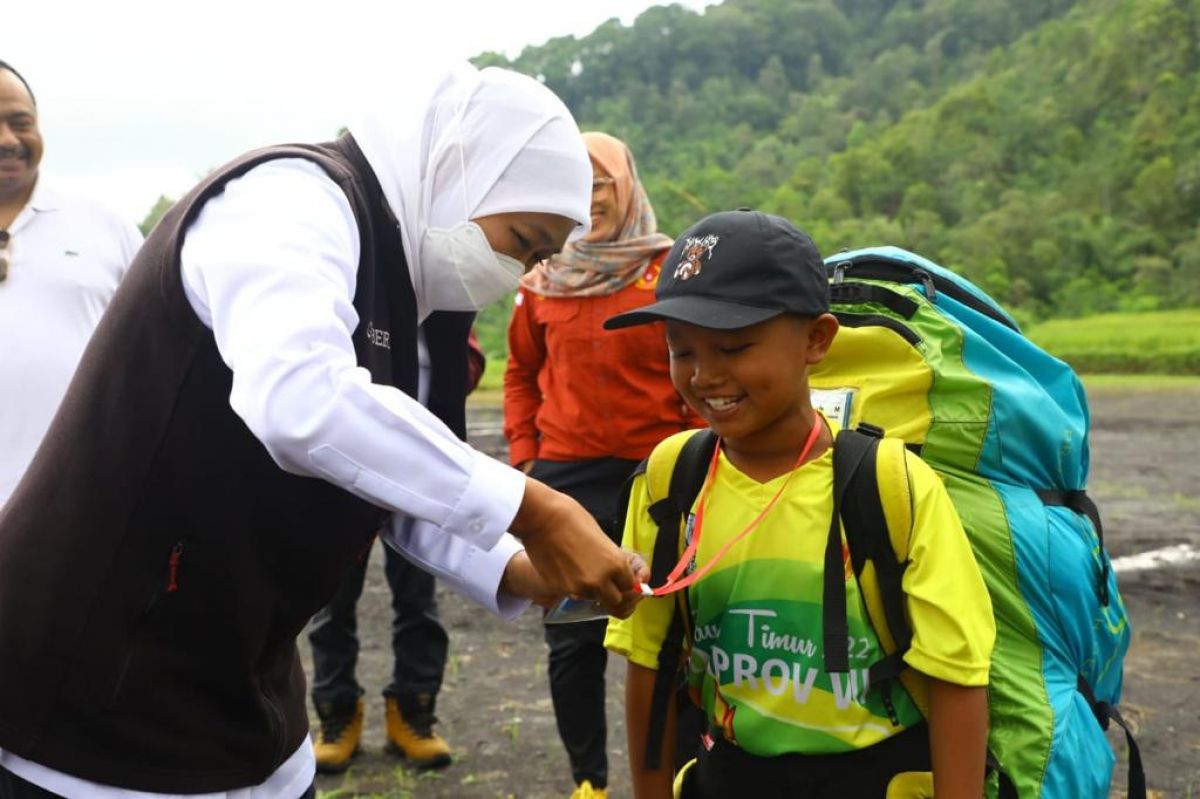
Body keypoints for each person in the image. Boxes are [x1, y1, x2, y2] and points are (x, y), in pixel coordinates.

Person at [0, 61, 641, 799]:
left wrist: (516, 565)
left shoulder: (396, 285)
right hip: (101, 688)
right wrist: (537, 508)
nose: (519, 273)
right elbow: (300, 401)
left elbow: (373, 471)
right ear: (460, 174)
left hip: (241, 683)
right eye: (524, 239)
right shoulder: (287, 200)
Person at [603, 209, 996, 798]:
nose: (704, 375)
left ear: (817, 339)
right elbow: (650, 660)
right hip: (731, 775)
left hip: (873, 779)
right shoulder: (670, 478)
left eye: (733, 347)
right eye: (680, 351)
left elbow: (957, 675)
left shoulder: (890, 485)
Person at [504, 131, 699, 799]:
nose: (591, 202)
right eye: (576, 188)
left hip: (662, 474)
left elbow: (696, 367)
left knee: (679, 626)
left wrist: (701, 455)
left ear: (627, 185)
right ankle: (589, 780)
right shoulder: (542, 278)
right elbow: (522, 376)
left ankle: (680, 774)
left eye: (601, 185)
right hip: (567, 478)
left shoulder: (669, 269)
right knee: (574, 638)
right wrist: (528, 462)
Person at [308, 315, 484, 773]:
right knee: (331, 597)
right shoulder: (357, 288)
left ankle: (413, 714)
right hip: (344, 466)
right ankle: (336, 714)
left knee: (418, 598)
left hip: (418, 466)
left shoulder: (444, 295)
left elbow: (468, 360)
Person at [0, 59, 142, 507]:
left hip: (77, 517)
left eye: (20, 122)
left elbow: (159, 355)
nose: (8, 140)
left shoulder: (105, 229)